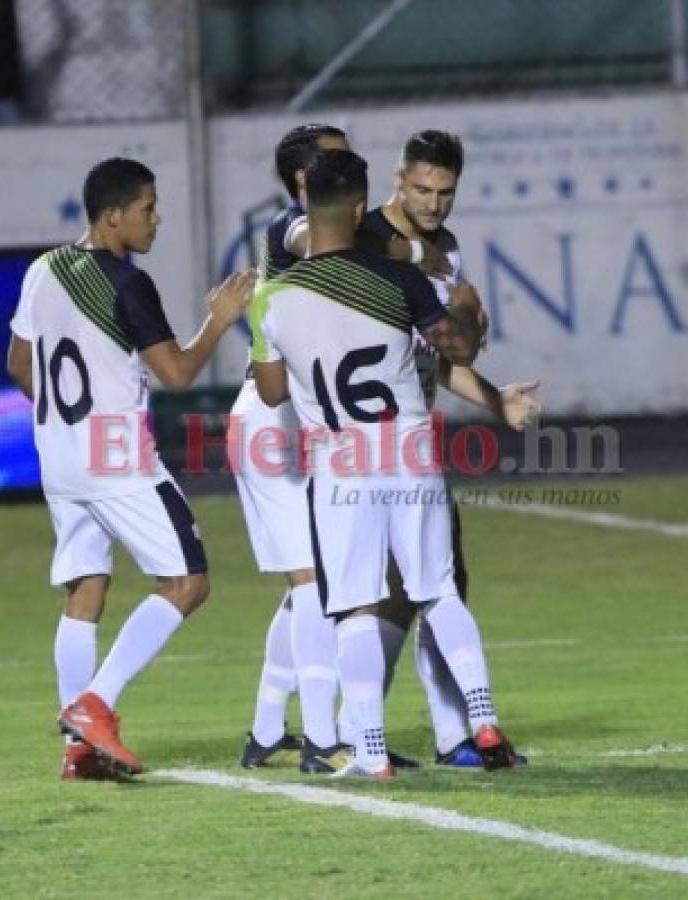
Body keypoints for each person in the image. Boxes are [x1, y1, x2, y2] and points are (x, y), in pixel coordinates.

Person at [250, 149, 516, 777]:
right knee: (440, 591)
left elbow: (269, 392)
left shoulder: (273, 299)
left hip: (340, 463)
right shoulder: (400, 280)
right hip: (410, 451)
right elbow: (454, 345)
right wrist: (470, 311)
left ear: (304, 204)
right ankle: (481, 713)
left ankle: (369, 750)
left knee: (355, 609)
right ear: (361, 204)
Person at [6, 157, 255, 779]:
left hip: (58, 456)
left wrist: (68, 420)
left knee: (86, 589)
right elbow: (176, 373)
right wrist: (219, 321)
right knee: (187, 582)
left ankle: (77, 750)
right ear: (112, 216)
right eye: (147, 207)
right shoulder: (125, 283)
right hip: (114, 457)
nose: (156, 218)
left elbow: (17, 363)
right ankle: (95, 706)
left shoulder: (44, 270)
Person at [354, 130, 538, 767]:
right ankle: (349, 733)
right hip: (355, 440)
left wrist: (495, 399)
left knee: (428, 585)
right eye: (422, 189)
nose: (433, 204)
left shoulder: (446, 247)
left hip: (407, 433)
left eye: (446, 192)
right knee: (376, 592)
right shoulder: (365, 238)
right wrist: (445, 293)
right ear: (397, 180)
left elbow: (438, 354)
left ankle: (445, 732)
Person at [234, 124, 354, 774]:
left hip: (287, 422)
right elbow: (316, 248)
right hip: (269, 423)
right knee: (312, 579)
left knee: (309, 581)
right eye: (337, 159)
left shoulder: (341, 234)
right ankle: (322, 738)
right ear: (305, 181)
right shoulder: (297, 227)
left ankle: (265, 729)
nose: (351, 164)